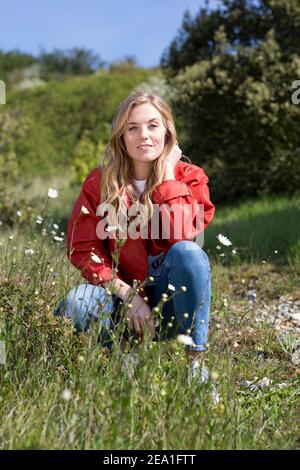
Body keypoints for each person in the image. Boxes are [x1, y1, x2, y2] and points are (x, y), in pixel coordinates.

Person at [54, 91, 219, 403]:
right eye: (133, 128)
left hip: (171, 307)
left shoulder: (191, 178)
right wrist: (127, 295)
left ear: (168, 132)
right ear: (121, 136)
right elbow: (82, 249)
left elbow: (183, 235)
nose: (144, 135)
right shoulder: (99, 182)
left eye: (153, 126)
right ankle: (123, 365)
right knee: (75, 304)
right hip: (120, 302)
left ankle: (196, 368)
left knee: (189, 253)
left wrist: (169, 175)